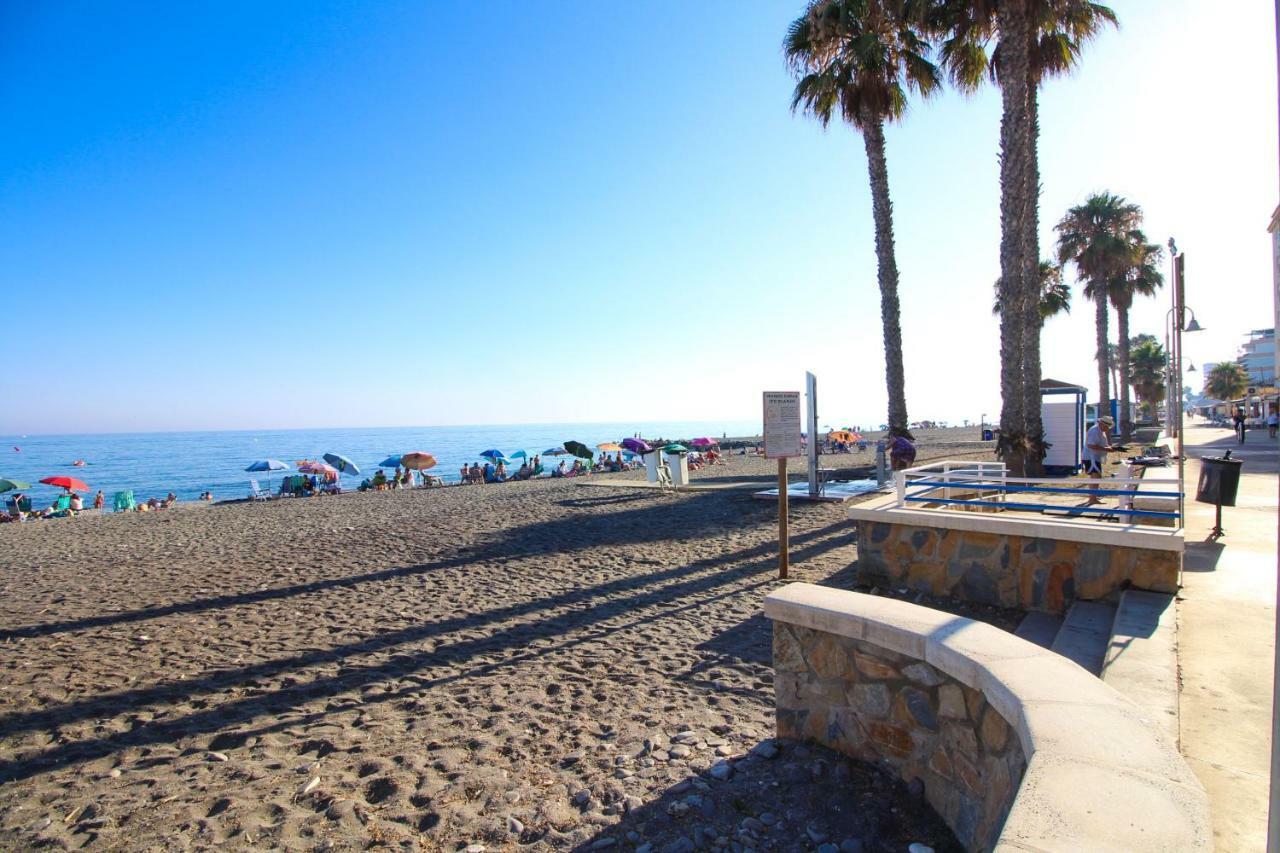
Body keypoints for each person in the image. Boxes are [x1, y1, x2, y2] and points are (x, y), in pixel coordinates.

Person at [1084, 415, 1115, 504]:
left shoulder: (1100, 431)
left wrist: (1109, 447)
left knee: (1095, 477)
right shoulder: (1094, 431)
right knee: (1095, 477)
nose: (1107, 428)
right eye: (1106, 426)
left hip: (1095, 457)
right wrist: (1106, 449)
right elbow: (1091, 445)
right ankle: (1092, 498)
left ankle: (1093, 497)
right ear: (1101, 424)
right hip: (1091, 457)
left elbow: (1102, 443)